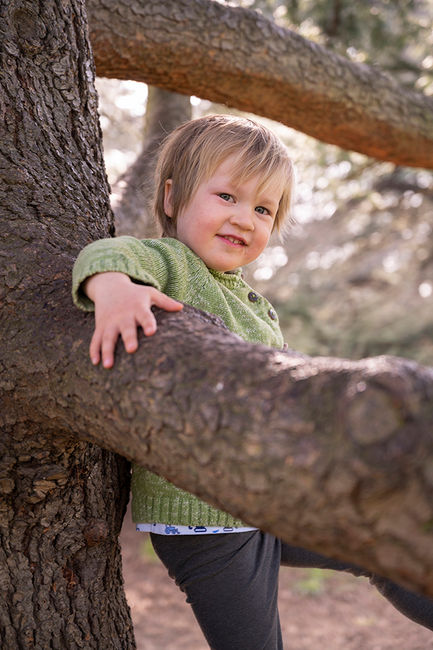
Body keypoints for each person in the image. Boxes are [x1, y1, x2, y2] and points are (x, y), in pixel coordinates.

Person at [72, 114, 433, 648]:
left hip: (263, 499)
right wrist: (112, 290)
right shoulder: (169, 262)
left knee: (383, 552)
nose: (246, 218)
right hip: (205, 521)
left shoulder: (255, 305)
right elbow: (106, 253)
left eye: (263, 209)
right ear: (172, 200)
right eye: (227, 197)